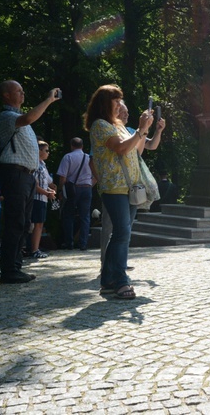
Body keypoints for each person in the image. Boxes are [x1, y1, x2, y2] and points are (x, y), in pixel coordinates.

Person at [85, 84, 153, 300]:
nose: (120, 105)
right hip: (115, 187)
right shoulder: (100, 125)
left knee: (123, 234)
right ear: (106, 103)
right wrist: (141, 129)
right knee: (122, 233)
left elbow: (136, 149)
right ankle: (120, 280)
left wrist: (148, 129)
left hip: (130, 187)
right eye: (116, 101)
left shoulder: (118, 126)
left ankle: (107, 282)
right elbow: (122, 148)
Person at [0, 80, 60, 284]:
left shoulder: (19, 119)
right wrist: (49, 99)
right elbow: (29, 117)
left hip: (26, 177)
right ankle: (8, 270)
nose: (23, 94)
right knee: (15, 223)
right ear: (6, 95)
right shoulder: (6, 117)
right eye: (18, 91)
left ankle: (16, 267)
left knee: (23, 224)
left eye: (23, 91)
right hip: (14, 175)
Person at [57, 137, 93, 251]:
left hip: (73, 189)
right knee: (85, 217)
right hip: (87, 189)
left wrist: (60, 190)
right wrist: (90, 185)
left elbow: (63, 177)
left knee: (68, 215)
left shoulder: (68, 157)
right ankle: (83, 243)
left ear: (71, 146)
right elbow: (96, 176)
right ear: (82, 146)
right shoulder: (89, 158)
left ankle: (69, 243)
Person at [28, 140, 55, 258]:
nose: (48, 153)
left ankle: (34, 248)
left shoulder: (43, 165)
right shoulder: (35, 164)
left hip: (42, 198)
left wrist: (51, 190)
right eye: (46, 150)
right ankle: (34, 250)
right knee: (36, 225)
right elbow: (34, 185)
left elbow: (47, 182)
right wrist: (47, 193)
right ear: (38, 151)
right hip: (36, 198)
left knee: (39, 224)